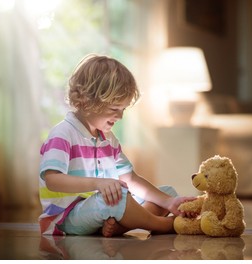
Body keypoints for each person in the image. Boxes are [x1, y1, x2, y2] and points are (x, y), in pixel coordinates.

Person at [39, 54, 195, 237]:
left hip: (101, 210)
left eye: (123, 110)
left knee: (167, 192)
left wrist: (169, 202)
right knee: (117, 198)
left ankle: (120, 226)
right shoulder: (63, 134)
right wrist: (98, 183)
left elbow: (130, 179)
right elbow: (52, 180)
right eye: (114, 109)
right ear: (87, 101)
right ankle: (164, 225)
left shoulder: (108, 139)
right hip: (67, 218)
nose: (120, 117)